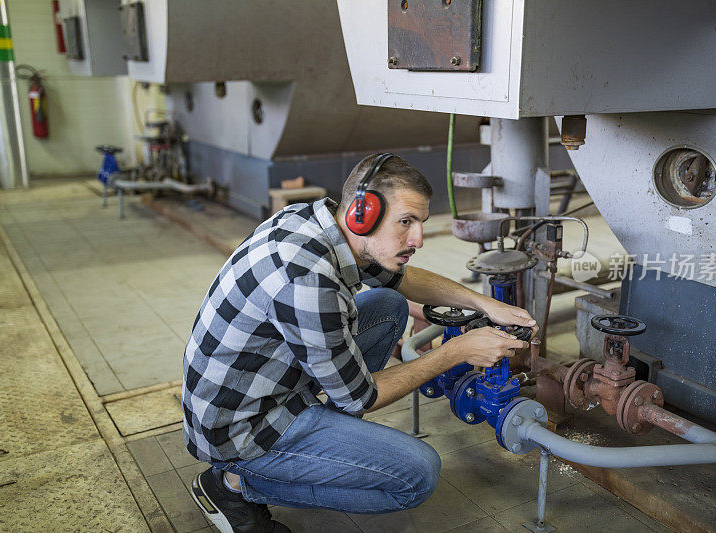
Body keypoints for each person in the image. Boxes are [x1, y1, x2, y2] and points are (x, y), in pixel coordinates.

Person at [183, 154, 536, 532]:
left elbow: (402, 279)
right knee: (418, 476)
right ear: (361, 214)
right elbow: (362, 397)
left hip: (261, 385)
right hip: (241, 426)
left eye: (420, 223)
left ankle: (320, 447)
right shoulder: (308, 279)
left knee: (387, 305)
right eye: (406, 222)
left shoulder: (316, 223)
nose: (417, 239)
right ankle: (233, 484)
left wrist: (486, 304)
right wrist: (457, 352)